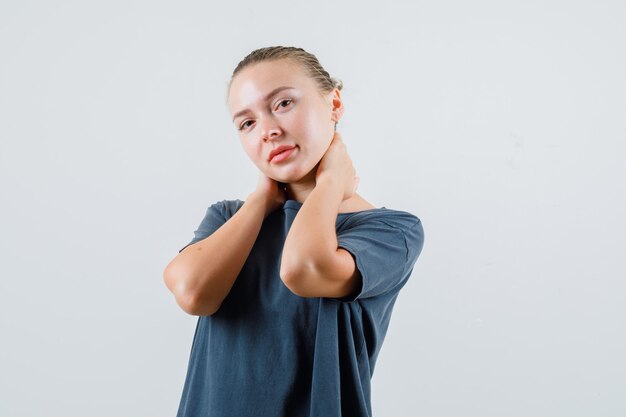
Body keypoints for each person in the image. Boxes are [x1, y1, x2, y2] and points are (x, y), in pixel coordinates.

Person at [163, 46, 425, 417]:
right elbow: (191, 293)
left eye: (283, 103)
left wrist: (332, 182)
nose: (268, 130)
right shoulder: (227, 218)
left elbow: (303, 269)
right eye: (247, 123)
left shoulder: (391, 230)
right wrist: (260, 200)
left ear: (334, 104)